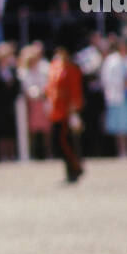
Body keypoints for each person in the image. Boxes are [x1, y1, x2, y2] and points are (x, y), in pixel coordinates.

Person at [45, 41, 84, 183]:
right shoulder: (55, 66)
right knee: (60, 143)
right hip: (57, 111)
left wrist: (74, 112)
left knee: (67, 143)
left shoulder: (72, 68)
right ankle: (71, 170)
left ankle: (75, 169)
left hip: (67, 111)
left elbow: (75, 91)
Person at [100, 36, 127, 157]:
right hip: (116, 96)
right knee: (118, 126)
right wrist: (122, 83)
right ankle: (121, 151)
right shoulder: (111, 61)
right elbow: (106, 79)